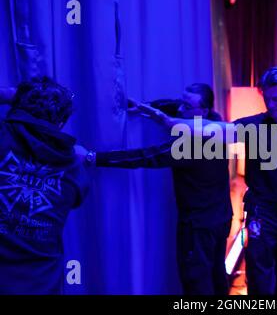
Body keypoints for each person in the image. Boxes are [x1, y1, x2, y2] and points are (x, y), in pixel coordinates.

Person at [139, 67, 277, 295]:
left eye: (276, 99)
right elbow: (212, 128)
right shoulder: (255, 126)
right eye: (267, 99)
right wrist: (171, 122)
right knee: (260, 281)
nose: (271, 105)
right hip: (263, 214)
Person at [80, 83, 233, 295]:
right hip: (221, 219)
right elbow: (175, 106)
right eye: (182, 103)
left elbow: (144, 156)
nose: (180, 110)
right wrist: (145, 107)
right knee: (217, 276)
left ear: (203, 111)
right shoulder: (216, 125)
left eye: (187, 107)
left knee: (197, 283)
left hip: (198, 227)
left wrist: (93, 157)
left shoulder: (190, 146)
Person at [0, 77, 89, 294]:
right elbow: (77, 196)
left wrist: (11, 94)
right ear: (61, 122)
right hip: (43, 283)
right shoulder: (74, 167)